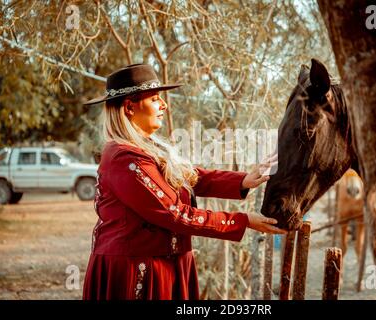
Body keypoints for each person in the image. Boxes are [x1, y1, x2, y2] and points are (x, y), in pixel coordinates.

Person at [82, 64, 286, 300]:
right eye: (156, 99)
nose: (164, 105)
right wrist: (243, 221)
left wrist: (243, 180)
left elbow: (190, 177)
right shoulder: (125, 159)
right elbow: (175, 215)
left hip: (162, 264)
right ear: (129, 107)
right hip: (137, 271)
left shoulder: (146, 149)